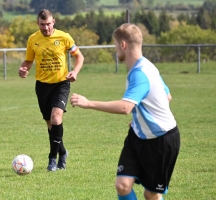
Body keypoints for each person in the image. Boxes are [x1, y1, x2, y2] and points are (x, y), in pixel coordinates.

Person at [70, 23, 180, 200]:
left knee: (151, 194)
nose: (115, 50)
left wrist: (88, 103)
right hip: (137, 136)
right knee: (122, 185)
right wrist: (141, 122)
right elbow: (167, 96)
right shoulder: (146, 67)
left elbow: (125, 107)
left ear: (123, 45)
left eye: (115, 46)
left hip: (162, 140)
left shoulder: (141, 72)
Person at [18, 9, 84, 172]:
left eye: (48, 24)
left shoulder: (64, 37)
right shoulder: (33, 39)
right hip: (42, 86)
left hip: (61, 83)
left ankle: (52, 160)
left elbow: (79, 57)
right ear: (37, 24)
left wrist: (74, 72)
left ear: (53, 22)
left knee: (56, 118)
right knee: (50, 124)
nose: (46, 28)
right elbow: (28, 60)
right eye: (42, 25)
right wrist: (23, 69)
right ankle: (62, 152)